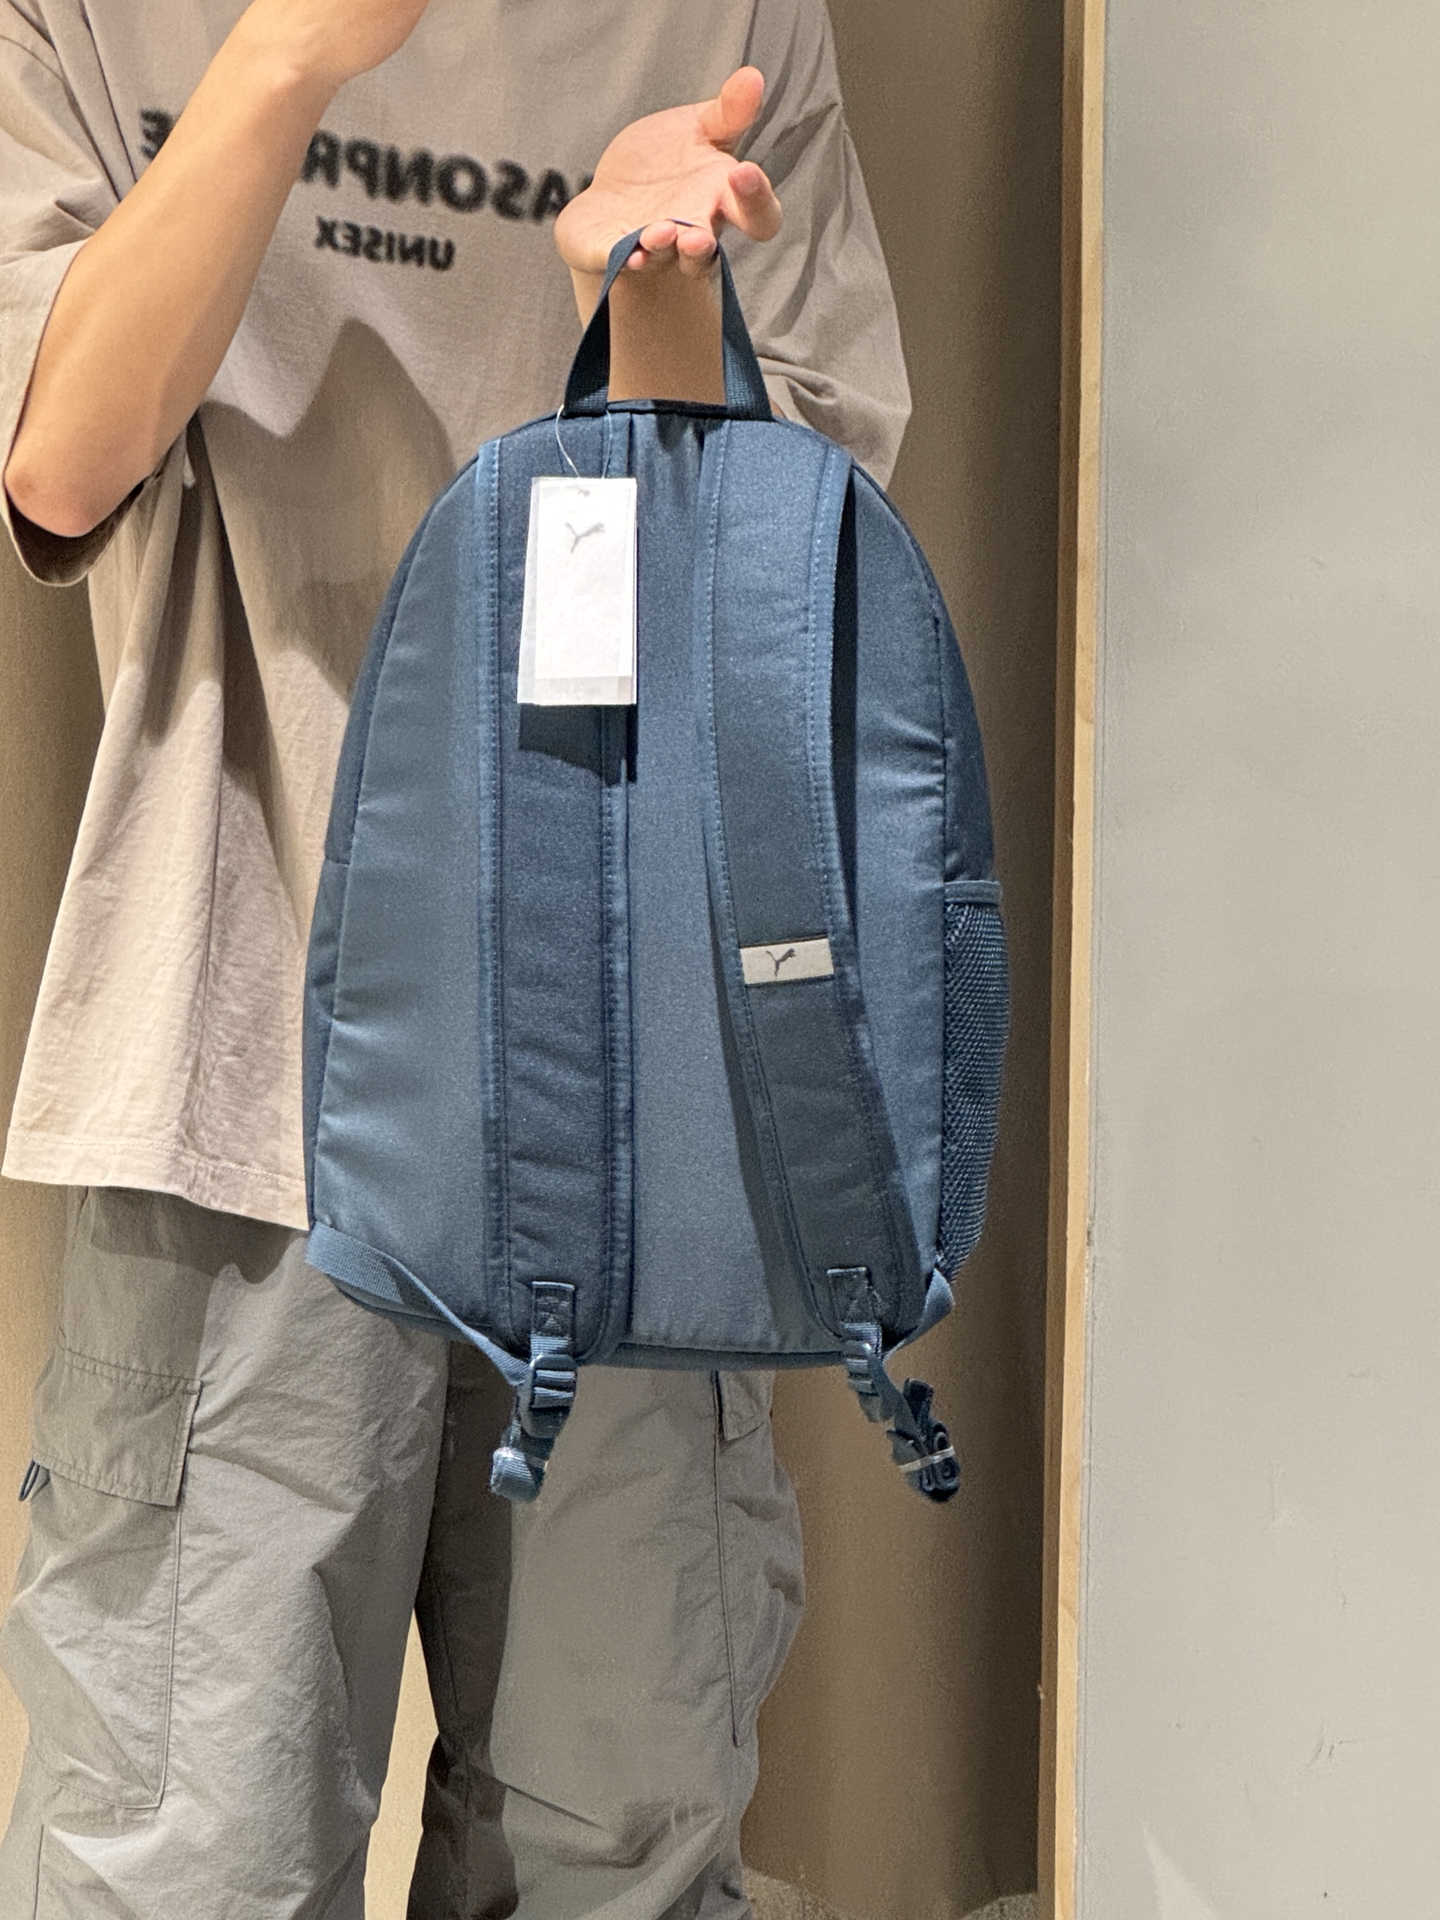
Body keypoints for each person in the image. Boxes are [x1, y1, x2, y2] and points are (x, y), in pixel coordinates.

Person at [0, 2, 910, 1914]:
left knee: (619, 1858)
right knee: (186, 1867)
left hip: (637, 1102)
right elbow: (60, 464)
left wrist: (652, 308)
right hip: (237, 1059)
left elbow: (793, 594)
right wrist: (286, 58)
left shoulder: (727, 17)